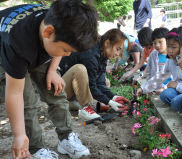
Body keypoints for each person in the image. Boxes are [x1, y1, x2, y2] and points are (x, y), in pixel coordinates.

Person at [0, 0, 98, 158]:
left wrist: (53, 70)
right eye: (66, 50)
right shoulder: (17, 42)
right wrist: (19, 136)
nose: (67, 55)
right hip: (7, 52)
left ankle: (66, 138)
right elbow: (14, 93)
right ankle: (35, 148)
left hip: (40, 44)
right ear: (47, 33)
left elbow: (58, 44)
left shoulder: (59, 23)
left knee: (56, 91)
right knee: (27, 102)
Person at [59, 29, 130, 121]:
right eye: (117, 49)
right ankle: (85, 108)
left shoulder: (102, 54)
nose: (117, 54)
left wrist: (113, 97)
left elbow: (100, 83)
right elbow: (92, 86)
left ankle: (71, 102)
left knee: (106, 81)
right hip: (60, 89)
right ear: (107, 43)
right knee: (79, 69)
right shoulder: (90, 54)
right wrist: (109, 102)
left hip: (71, 91)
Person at [136, 27, 169, 95]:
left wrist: (165, 88)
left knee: (166, 95)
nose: (157, 45)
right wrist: (147, 88)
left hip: (168, 87)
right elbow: (149, 72)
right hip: (155, 86)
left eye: (160, 42)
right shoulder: (153, 55)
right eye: (154, 43)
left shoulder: (172, 57)